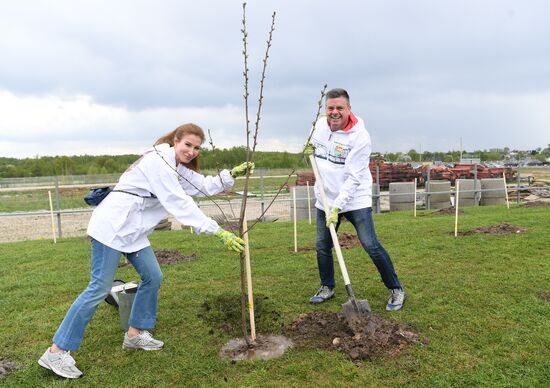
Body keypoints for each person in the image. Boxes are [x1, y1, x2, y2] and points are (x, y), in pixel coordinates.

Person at [38, 123, 254, 379]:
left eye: (197, 148)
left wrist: (230, 174)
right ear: (175, 141)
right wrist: (215, 230)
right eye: (187, 145)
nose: (192, 151)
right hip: (113, 227)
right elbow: (177, 201)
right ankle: (57, 351)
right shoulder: (158, 162)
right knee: (98, 288)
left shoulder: (176, 168)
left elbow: (203, 186)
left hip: (134, 232)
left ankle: (135, 333)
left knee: (153, 276)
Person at [304, 88, 406, 311]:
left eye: (340, 108)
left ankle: (396, 289)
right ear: (325, 109)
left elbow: (353, 178)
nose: (335, 112)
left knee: (370, 245)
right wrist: (308, 148)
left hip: (354, 199)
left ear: (349, 109)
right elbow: (316, 154)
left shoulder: (360, 137)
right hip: (325, 198)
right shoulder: (318, 126)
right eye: (330, 108)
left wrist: (338, 206)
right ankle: (327, 286)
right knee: (322, 246)